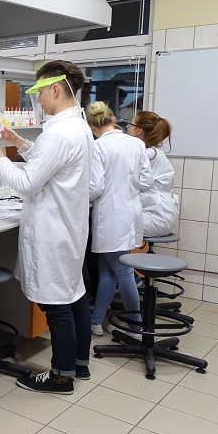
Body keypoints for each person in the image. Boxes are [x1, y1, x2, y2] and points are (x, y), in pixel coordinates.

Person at [0, 60, 93, 395]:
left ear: (55, 89)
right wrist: (20, 141)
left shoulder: (58, 133)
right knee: (74, 296)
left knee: (57, 306)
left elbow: (29, 182)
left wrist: (0, 160)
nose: (38, 99)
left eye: (39, 91)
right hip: (68, 228)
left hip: (53, 231)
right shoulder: (77, 127)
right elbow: (52, 164)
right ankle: (79, 364)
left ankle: (61, 377)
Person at [85, 102, 152, 337]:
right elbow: (146, 182)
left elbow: (94, 188)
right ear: (113, 119)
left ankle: (135, 326)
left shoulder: (97, 147)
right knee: (107, 272)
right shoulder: (136, 143)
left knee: (122, 272)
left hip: (110, 216)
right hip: (131, 213)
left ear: (91, 127)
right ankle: (96, 321)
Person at [126, 110, 179, 237]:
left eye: (130, 124)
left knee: (112, 224)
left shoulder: (149, 154)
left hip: (156, 217)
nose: (127, 127)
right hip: (161, 213)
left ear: (139, 131)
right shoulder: (154, 153)